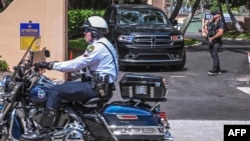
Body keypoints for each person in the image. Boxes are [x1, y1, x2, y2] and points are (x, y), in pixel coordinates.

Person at [20, 16, 118, 141]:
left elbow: (75, 64)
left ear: (94, 32)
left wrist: (49, 65)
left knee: (55, 90)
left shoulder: (97, 47)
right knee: (63, 88)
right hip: (98, 86)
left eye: (86, 30)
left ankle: (43, 130)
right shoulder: (103, 45)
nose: (84, 33)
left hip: (95, 87)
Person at [205, 10, 225, 76]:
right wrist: (205, 25)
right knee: (214, 55)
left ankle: (215, 70)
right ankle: (218, 69)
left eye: (214, 14)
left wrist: (212, 38)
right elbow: (207, 32)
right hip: (211, 41)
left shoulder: (221, 23)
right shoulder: (211, 23)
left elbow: (220, 33)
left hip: (217, 41)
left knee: (214, 53)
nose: (212, 16)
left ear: (218, 15)